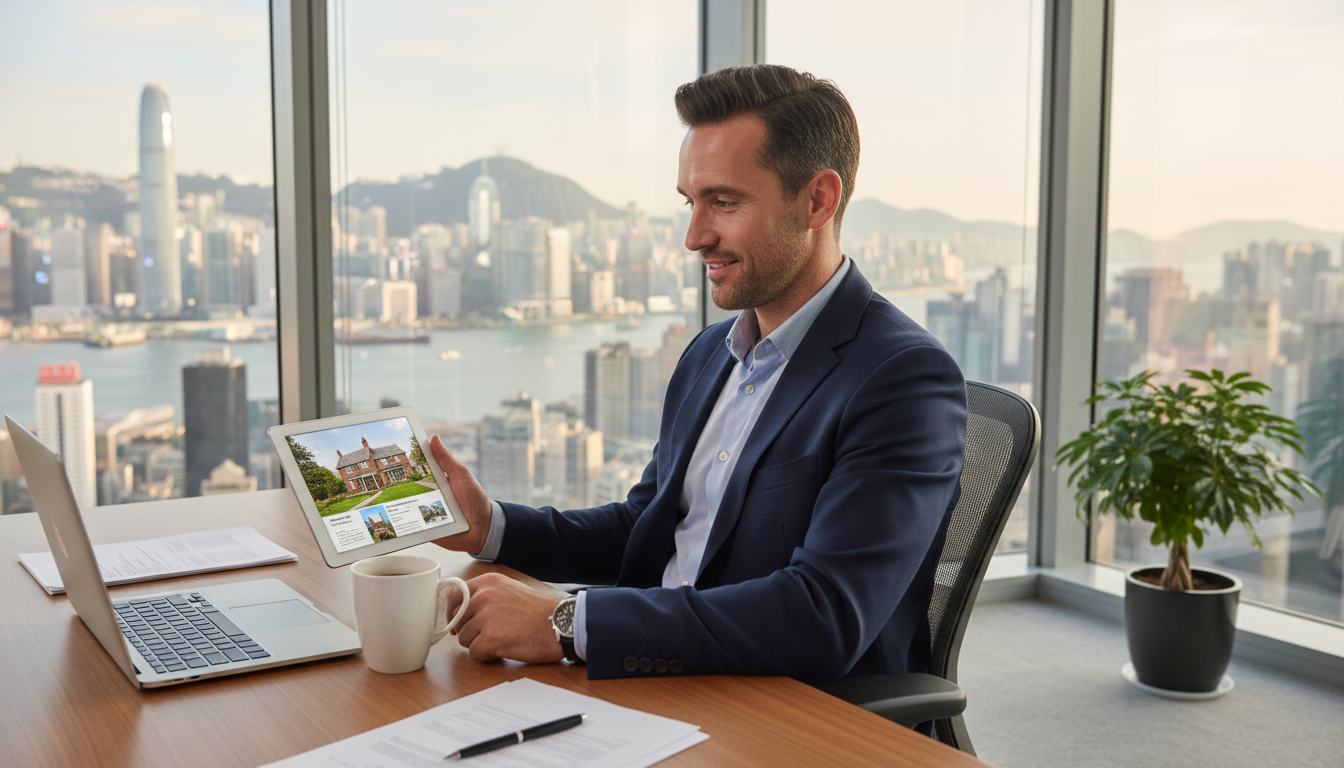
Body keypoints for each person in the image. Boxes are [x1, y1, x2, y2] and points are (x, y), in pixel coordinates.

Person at [432, 64, 967, 682]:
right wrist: (492, 526)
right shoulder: (710, 353)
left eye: (724, 202)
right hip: (665, 678)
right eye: (691, 202)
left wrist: (569, 621)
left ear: (818, 199)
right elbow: (649, 524)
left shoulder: (903, 380)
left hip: (787, 711)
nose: (694, 237)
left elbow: (824, 616)